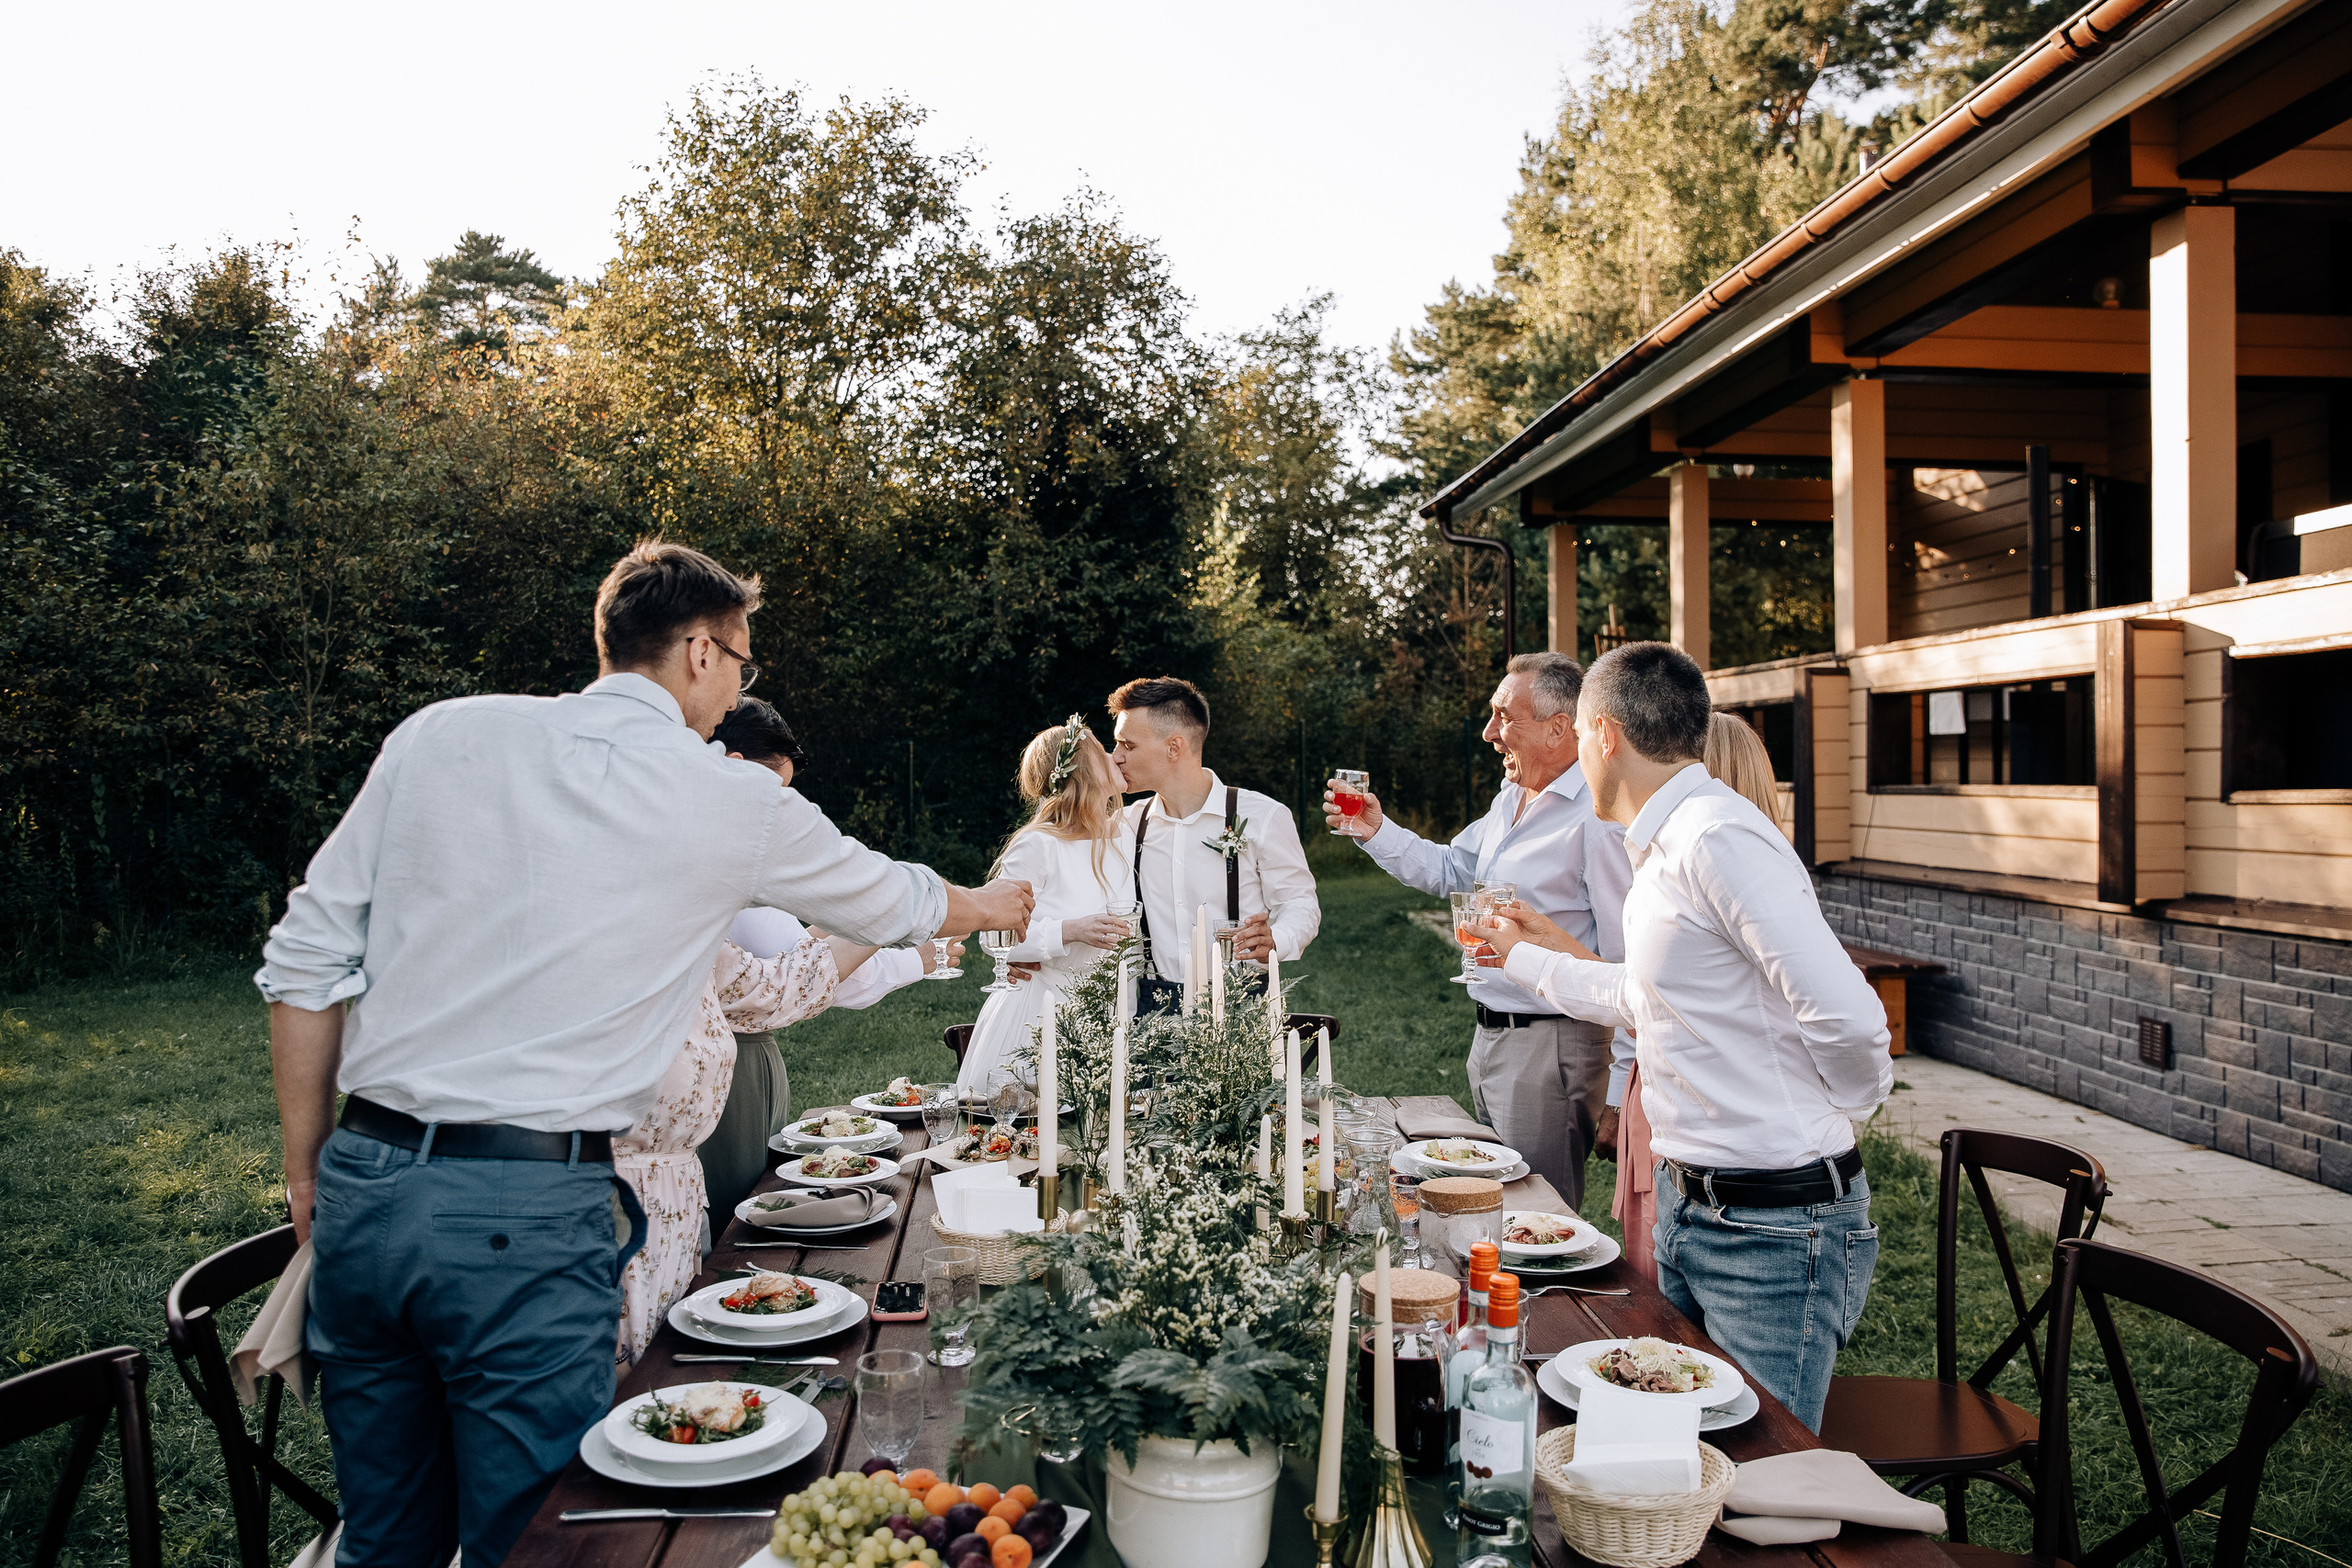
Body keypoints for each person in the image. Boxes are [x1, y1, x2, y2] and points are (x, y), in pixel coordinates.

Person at [256, 540, 1034, 1568]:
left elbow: (305, 962)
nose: (735, 695)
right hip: (527, 1212)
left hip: (368, 1182)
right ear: (703, 653)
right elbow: (893, 898)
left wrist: (308, 1166)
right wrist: (990, 902)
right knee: (531, 1537)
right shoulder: (724, 795)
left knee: (384, 1537)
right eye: (744, 666)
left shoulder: (441, 735)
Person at [1475, 643, 1889, 1431]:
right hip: (1689, 1205)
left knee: (1763, 1469)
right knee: (1678, 1448)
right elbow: (1643, 997)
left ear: (1601, 735)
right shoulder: (1662, 847)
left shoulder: (1716, 839)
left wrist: (1840, 1109)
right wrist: (1525, 953)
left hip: (1772, 1224)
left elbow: (1851, 1017)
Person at [1326, 652, 1632, 1212]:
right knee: (1493, 1200)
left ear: (1558, 728)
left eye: (1503, 717)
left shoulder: (1597, 818)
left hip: (1552, 1043)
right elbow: (1451, 870)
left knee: (1537, 1214)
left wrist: (1620, 1092)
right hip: (1491, 1036)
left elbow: (1625, 961)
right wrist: (1375, 829)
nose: (1490, 733)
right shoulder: (1511, 798)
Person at [700, 697, 955, 1222]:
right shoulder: (723, 854)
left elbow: (795, 945)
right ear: (736, 768)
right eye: (778, 792)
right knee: (736, 1217)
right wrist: (912, 944)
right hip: (729, 1068)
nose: (780, 808)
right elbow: (814, 977)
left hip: (737, 1058)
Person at [615, 933, 872, 1364]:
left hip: (676, 1194)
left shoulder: (692, 929)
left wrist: (885, 921)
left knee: (668, 1361)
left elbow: (774, 990)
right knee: (622, 1377)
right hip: (606, 1197)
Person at [1109, 676, 1318, 1011]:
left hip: (1242, 1007)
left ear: (1174, 747)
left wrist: (1278, 939)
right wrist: (1031, 956)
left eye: (1127, 745)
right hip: (1152, 1012)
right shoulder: (1124, 827)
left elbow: (1300, 904)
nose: (1115, 757)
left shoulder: (1263, 816)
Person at [960, 716, 1136, 1089]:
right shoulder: (1038, 845)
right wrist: (1070, 931)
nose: (1115, 757)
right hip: (1041, 1014)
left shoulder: (1122, 835)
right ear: (1083, 772)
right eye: (1104, 751)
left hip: (1108, 1013)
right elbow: (994, 937)